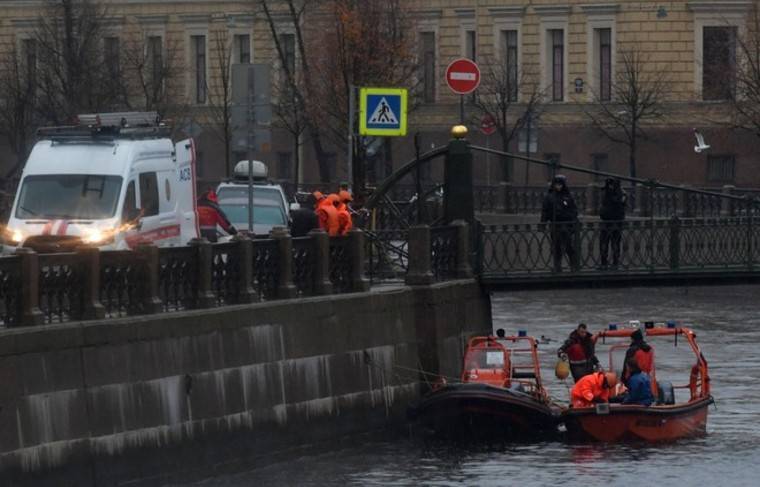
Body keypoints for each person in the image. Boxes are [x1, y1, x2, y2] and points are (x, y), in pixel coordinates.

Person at [541, 174, 579, 272]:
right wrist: (543, 224)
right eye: (557, 184)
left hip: (566, 224)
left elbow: (574, 210)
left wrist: (572, 220)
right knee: (556, 246)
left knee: (568, 245)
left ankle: (573, 265)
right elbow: (545, 211)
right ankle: (557, 266)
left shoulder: (567, 196)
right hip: (555, 224)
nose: (559, 187)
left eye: (560, 184)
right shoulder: (549, 197)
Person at [599, 178, 627, 269]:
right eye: (609, 184)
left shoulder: (620, 193)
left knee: (615, 243)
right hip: (606, 221)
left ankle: (615, 263)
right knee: (604, 243)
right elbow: (605, 204)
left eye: (612, 184)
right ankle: (604, 262)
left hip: (616, 222)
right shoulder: (606, 192)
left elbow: (618, 204)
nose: (610, 186)